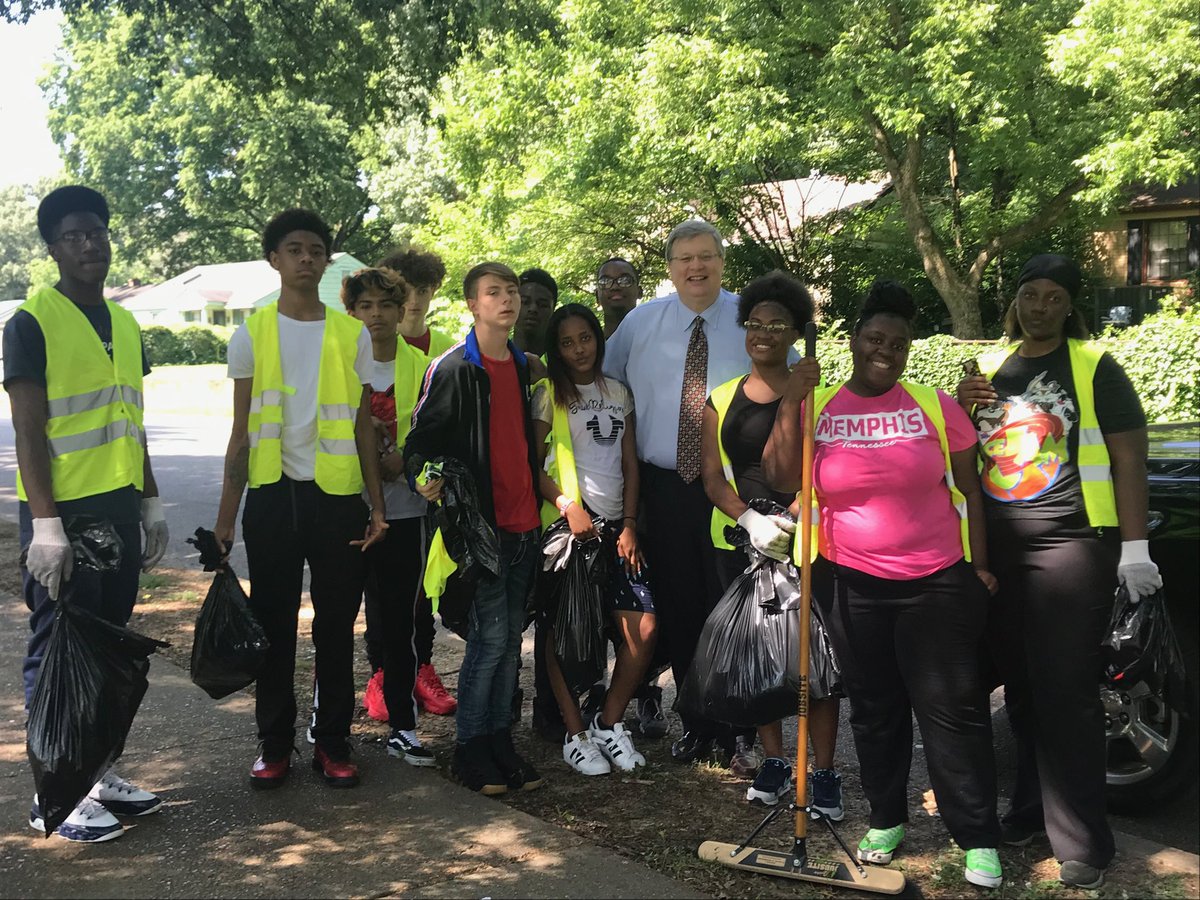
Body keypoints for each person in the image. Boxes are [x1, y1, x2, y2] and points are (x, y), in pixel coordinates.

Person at [763, 281, 1004, 889]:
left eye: (897, 344)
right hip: (852, 585)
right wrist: (793, 399)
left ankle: (975, 835)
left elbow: (972, 488)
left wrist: (978, 568)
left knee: (953, 710)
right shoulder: (818, 405)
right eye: (875, 339)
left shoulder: (932, 404)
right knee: (874, 709)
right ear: (853, 342)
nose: (886, 351)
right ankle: (886, 817)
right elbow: (779, 474)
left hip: (937, 583)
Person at [957, 254, 1157, 890]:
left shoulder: (1096, 368)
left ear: (1069, 306)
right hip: (1004, 551)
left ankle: (1084, 841)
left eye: (1053, 297)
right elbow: (968, 454)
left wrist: (1134, 549)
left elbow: (1129, 461)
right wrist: (963, 408)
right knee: (1017, 692)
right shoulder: (989, 369)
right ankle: (1029, 812)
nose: (1040, 306)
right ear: (1015, 301)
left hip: (1071, 546)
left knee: (1066, 694)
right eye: (1029, 294)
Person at [604, 218, 797, 773]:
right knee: (683, 606)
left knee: (734, 607)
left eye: (706, 256)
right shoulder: (641, 324)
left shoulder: (752, 319)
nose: (696, 267)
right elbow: (605, 385)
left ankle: (738, 729)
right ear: (669, 267)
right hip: (662, 484)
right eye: (684, 257)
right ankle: (696, 721)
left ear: (721, 261)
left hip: (736, 491)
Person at [7, 185, 168, 843]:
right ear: (52, 247)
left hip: (118, 508)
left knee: (107, 649)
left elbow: (133, 422)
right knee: (59, 654)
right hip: (64, 516)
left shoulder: (126, 325)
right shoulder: (31, 321)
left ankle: (98, 773)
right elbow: (27, 430)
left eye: (97, 232)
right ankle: (55, 795)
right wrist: (45, 526)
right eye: (74, 235)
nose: (89, 245)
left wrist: (150, 501)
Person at [216, 208, 387, 791]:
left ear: (326, 259)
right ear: (275, 259)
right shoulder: (252, 332)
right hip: (271, 499)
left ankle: (334, 742)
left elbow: (365, 424)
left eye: (316, 249)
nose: (307, 259)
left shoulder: (351, 333)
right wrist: (224, 519)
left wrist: (377, 505)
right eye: (294, 249)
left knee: (337, 627)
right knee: (274, 626)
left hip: (337, 498)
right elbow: (240, 433)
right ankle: (274, 745)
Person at [699, 271, 843, 814]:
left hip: (806, 540)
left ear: (794, 331)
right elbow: (713, 478)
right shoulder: (722, 397)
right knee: (762, 657)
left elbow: (826, 468)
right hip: (740, 541)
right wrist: (751, 521)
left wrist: (793, 517)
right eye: (755, 324)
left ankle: (823, 772)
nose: (763, 333)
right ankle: (776, 759)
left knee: (816, 660)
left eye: (776, 324)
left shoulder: (818, 393)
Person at [404, 262, 544, 796]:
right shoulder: (454, 368)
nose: (507, 300)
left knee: (511, 644)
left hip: (526, 524)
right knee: (488, 643)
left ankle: (499, 741)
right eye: (494, 292)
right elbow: (420, 442)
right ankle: (469, 748)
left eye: (511, 291)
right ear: (472, 305)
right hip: (481, 531)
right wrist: (426, 478)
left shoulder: (525, 366)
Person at [532, 304, 658, 775]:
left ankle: (608, 722)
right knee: (562, 632)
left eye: (585, 338)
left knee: (643, 627)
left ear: (597, 340)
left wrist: (629, 523)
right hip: (570, 531)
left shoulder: (618, 393)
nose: (578, 348)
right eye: (567, 342)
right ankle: (575, 734)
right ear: (556, 349)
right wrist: (568, 505)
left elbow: (629, 464)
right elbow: (532, 466)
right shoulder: (548, 395)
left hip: (616, 529)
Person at [340, 266, 436, 765]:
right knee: (336, 622)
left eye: (385, 306)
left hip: (405, 512)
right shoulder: (337, 364)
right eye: (365, 306)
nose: (375, 315)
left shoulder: (422, 367)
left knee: (402, 623)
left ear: (402, 312)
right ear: (351, 312)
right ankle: (327, 723)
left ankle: (404, 724)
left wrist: (408, 461)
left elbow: (437, 436)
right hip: (343, 509)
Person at [366, 247, 458, 718]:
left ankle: (421, 667)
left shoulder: (445, 346)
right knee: (377, 588)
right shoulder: (363, 341)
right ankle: (382, 673)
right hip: (369, 487)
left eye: (424, 289)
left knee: (422, 586)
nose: (416, 299)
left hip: (422, 490)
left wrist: (414, 461)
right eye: (406, 287)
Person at [515, 267, 558, 359]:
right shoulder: (490, 359)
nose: (533, 309)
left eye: (542, 305)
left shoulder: (566, 363)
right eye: (525, 302)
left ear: (553, 310)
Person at [595, 257, 643, 337]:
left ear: (639, 292)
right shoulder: (592, 348)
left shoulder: (655, 341)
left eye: (625, 280)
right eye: (605, 281)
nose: (615, 287)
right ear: (597, 295)